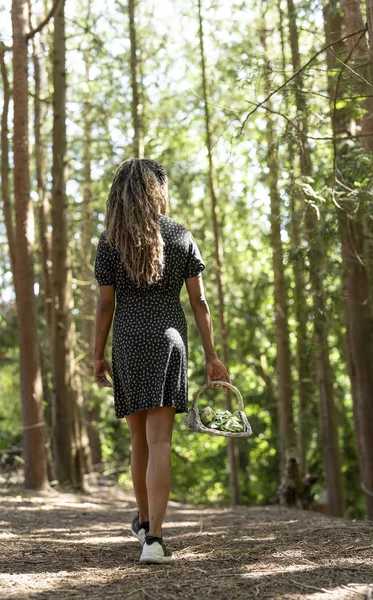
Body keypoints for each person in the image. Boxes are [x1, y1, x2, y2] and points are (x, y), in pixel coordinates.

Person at [93, 158, 231, 565]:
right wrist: (212, 355)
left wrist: (97, 354)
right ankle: (154, 538)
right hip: (169, 342)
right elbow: (199, 300)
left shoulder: (109, 241)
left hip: (129, 341)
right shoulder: (180, 235)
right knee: (161, 442)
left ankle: (144, 524)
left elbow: (105, 305)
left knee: (140, 442)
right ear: (157, 191)